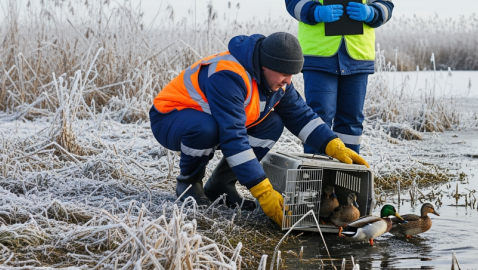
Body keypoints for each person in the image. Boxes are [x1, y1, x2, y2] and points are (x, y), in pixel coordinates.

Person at [149, 32, 369, 225]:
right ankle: (189, 183)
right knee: (206, 129)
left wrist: (333, 145)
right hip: (170, 117)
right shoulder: (228, 75)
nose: (287, 81)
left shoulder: (277, 80)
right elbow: (233, 138)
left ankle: (221, 184)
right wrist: (264, 192)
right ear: (265, 66)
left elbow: (302, 116)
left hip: (211, 121)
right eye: (284, 74)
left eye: (292, 74)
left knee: (272, 124)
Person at [284, 0, 393, 154]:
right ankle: (316, 178)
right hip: (320, 56)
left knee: (351, 121)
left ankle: (346, 181)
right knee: (318, 117)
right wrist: (316, 12)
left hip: (357, 57)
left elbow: (386, 6)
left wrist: (371, 13)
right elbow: (292, 1)